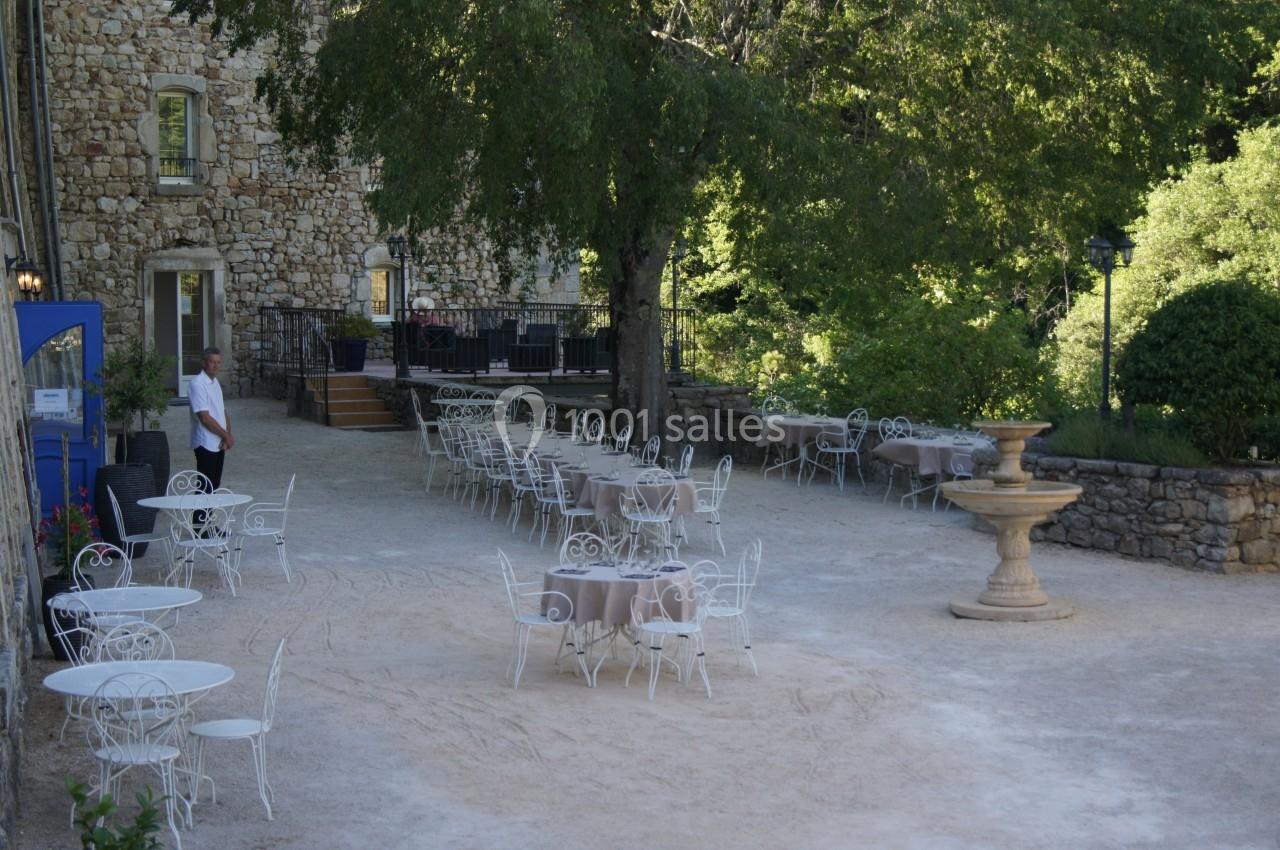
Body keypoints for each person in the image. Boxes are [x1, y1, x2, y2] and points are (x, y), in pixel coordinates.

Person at [188, 347, 233, 525]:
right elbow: (204, 418)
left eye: (218, 362)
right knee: (205, 486)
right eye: (212, 362)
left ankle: (208, 524)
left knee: (214, 485)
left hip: (218, 442)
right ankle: (200, 526)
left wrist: (227, 435)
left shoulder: (215, 383)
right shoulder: (197, 384)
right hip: (205, 442)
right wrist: (225, 435)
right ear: (204, 363)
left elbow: (222, 411)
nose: (215, 366)